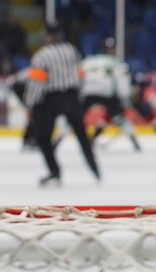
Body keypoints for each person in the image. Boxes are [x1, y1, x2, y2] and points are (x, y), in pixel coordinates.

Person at [25, 24, 101, 186]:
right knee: (82, 135)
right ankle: (95, 169)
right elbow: (80, 75)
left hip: (51, 98)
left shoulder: (42, 55)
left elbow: (36, 82)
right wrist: (78, 95)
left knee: (43, 136)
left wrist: (30, 104)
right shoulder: (71, 50)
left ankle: (54, 172)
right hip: (71, 96)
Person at [79, 37, 141, 152]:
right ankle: (135, 142)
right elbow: (122, 82)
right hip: (106, 93)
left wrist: (79, 94)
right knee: (119, 118)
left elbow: (78, 77)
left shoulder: (88, 61)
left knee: (76, 117)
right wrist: (126, 99)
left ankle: (57, 141)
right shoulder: (116, 63)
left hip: (88, 92)